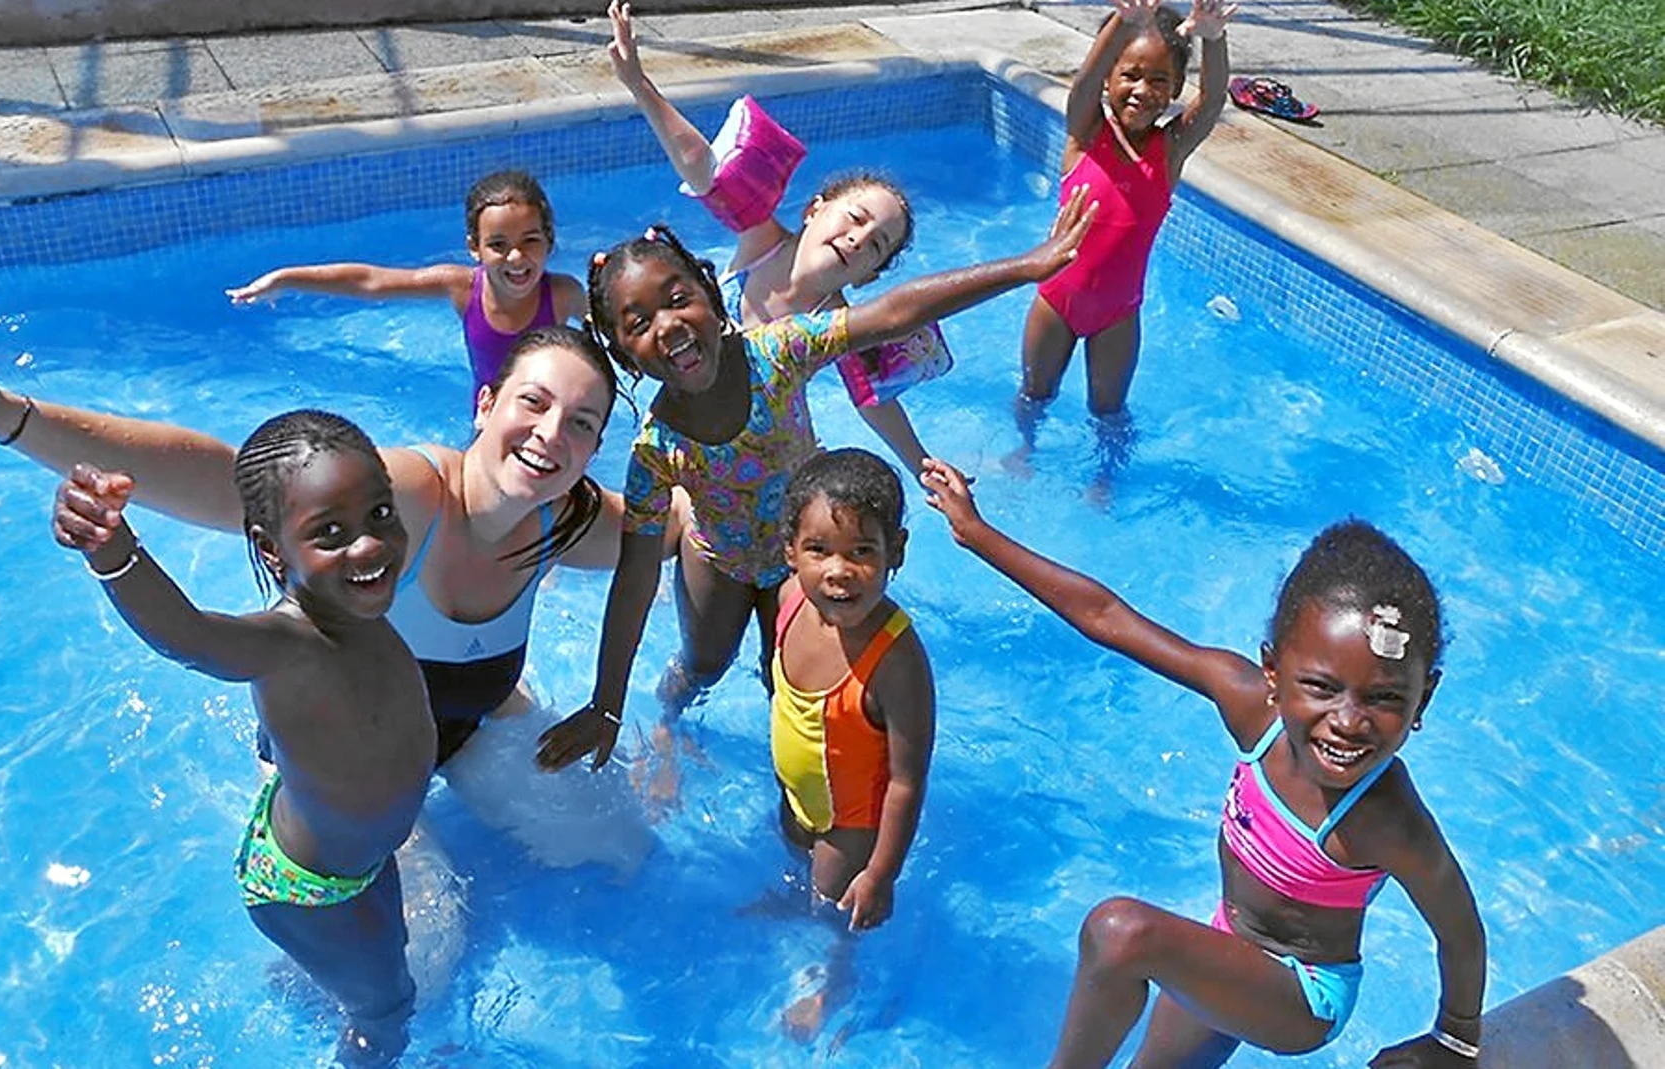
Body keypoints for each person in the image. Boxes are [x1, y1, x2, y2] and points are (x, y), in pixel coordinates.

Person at [0, 321, 660, 874]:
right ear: (486, 404)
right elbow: (231, 484)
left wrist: (623, 703)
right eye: (534, 403)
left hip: (468, 725)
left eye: (584, 422)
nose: (553, 434)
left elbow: (695, 525)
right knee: (424, 961)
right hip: (343, 767)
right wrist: (9, 418)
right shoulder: (405, 495)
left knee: (621, 849)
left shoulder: (570, 522)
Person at [921, 460, 1486, 1069]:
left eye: (1384, 698)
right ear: (1271, 671)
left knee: (1120, 934)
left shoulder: (1385, 817)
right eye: (1321, 687)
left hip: (1302, 998)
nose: (1348, 721)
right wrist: (976, 533)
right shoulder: (1250, 708)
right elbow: (1107, 618)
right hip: (1227, 945)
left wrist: (1454, 1039)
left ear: (1422, 699)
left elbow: (1460, 929)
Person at [533, 198, 1092, 774]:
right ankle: (669, 723)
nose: (668, 325)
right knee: (701, 665)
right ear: (623, 353)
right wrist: (607, 703)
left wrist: (1026, 266)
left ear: (709, 289)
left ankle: (796, 780)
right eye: (639, 323)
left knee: (793, 680)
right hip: (718, 562)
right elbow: (636, 573)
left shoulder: (777, 354)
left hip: (804, 558)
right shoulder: (656, 450)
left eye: (678, 300)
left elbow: (894, 313)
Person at [51, 409, 435, 1066]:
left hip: (358, 858)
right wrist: (114, 553)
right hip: (307, 888)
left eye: (379, 514)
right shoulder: (289, 641)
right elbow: (190, 635)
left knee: (392, 944)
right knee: (388, 1006)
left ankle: (315, 976)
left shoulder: (357, 602)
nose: (369, 545)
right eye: (331, 533)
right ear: (270, 549)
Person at [606, 0, 952, 477]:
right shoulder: (760, 239)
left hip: (766, 459)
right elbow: (702, 167)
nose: (858, 238)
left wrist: (922, 467)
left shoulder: (837, 323)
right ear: (814, 209)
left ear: (870, 274)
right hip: (690, 432)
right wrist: (638, 83)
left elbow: (874, 402)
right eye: (855, 218)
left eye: (876, 244)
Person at [766, 448, 935, 1042]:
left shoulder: (897, 661)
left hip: (852, 824)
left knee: (837, 912)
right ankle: (796, 910)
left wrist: (882, 873)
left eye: (863, 551)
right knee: (796, 871)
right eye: (819, 551)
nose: (839, 570)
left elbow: (908, 780)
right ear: (791, 552)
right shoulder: (790, 603)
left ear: (897, 552)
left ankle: (837, 981)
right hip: (799, 795)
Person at [1019, 0, 1234, 421]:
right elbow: (1084, 83)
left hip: (1118, 314)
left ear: (1174, 89)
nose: (1142, 90)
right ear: (1109, 78)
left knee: (1110, 413)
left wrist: (1214, 40)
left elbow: (1211, 103)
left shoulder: (1168, 151)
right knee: (1033, 396)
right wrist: (1123, 22)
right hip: (1056, 301)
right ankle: (1023, 454)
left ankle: (1103, 484)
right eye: (1130, 75)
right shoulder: (1085, 134)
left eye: (1158, 80)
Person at [227, 169, 589, 412]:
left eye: (530, 240)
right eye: (498, 244)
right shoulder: (463, 288)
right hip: (490, 423)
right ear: (474, 248)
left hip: (549, 422)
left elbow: (611, 331)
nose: (516, 256)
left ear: (549, 240)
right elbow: (371, 282)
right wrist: (285, 278)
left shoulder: (563, 295)